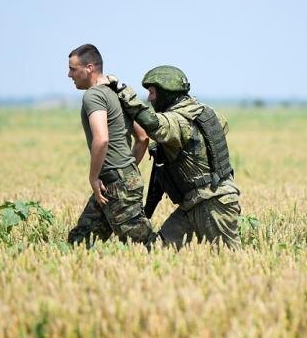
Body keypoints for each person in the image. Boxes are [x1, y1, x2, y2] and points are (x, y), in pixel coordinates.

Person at [109, 65, 241, 249]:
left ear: (166, 93)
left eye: (152, 93)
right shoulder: (205, 112)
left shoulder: (179, 121)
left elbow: (153, 124)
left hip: (213, 204)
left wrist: (123, 92)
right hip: (192, 204)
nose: (149, 98)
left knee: (230, 261)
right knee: (157, 251)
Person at [65, 44, 158, 249]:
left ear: (89, 68)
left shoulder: (94, 95)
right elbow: (142, 138)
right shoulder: (114, 93)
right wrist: (127, 170)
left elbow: (101, 139)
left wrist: (93, 177)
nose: (69, 74)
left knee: (144, 244)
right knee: (81, 241)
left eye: (73, 69)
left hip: (114, 183)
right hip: (118, 180)